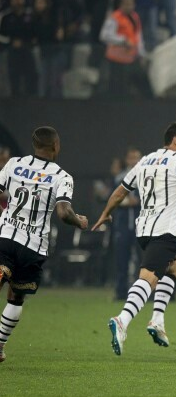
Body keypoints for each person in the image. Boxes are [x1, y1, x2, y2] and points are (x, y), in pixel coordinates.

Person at [92, 122, 176, 356]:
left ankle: (157, 320)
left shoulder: (145, 160)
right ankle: (122, 320)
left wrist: (105, 214)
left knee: (175, 266)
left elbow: (119, 192)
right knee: (148, 277)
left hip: (144, 230)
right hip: (166, 230)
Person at [0, 126, 89, 363]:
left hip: (6, 236)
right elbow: (63, 212)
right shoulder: (62, 176)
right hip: (32, 247)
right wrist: (79, 221)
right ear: (55, 146)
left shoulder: (12, 164)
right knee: (16, 297)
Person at [100, 0, 154, 98]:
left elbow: (138, 36)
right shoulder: (115, 18)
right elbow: (104, 35)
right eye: (126, 4)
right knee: (117, 90)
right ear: (121, 5)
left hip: (131, 57)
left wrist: (141, 54)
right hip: (116, 60)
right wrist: (122, 40)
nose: (129, 7)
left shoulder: (135, 17)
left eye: (131, 4)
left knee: (143, 84)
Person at [112, 147, 142, 301]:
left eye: (137, 157)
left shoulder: (146, 176)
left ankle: (142, 293)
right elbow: (114, 198)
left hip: (141, 226)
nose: (134, 161)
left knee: (143, 261)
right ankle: (121, 292)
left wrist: (138, 201)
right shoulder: (120, 177)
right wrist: (126, 201)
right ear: (127, 159)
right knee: (122, 260)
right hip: (123, 225)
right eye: (131, 157)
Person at [0, 0, 37, 97]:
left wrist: (26, 42)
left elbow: (34, 33)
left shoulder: (30, 16)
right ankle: (14, 99)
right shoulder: (7, 18)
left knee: (29, 77)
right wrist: (12, 42)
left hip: (27, 51)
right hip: (12, 53)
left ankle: (30, 99)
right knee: (13, 78)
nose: (17, 1)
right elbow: (2, 36)